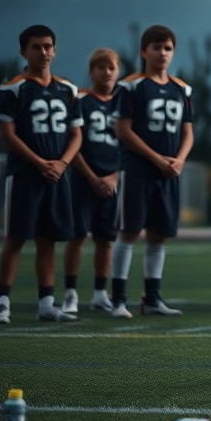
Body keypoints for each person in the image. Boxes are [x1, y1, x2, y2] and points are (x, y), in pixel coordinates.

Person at [0, 25, 83, 324]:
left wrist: (62, 163)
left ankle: (46, 303)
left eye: (47, 46)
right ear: (23, 51)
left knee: (49, 239)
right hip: (25, 173)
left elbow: (77, 135)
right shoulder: (13, 87)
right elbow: (9, 135)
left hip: (58, 174)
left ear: (55, 49)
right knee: (16, 237)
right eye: (36, 47)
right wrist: (41, 162)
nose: (43, 52)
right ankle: (3, 302)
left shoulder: (67, 88)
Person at [112, 24, 194, 318]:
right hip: (139, 169)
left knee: (159, 235)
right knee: (130, 230)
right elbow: (123, 130)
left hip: (169, 171)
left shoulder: (181, 88)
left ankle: (153, 298)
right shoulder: (131, 85)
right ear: (144, 51)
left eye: (168, 48)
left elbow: (188, 132)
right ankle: (118, 299)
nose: (162, 53)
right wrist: (157, 158)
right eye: (157, 47)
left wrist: (180, 160)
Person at [64, 48, 122, 315]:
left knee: (106, 238)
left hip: (112, 180)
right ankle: (70, 293)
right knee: (77, 236)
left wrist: (114, 176)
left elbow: (130, 143)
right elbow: (73, 142)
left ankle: (100, 293)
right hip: (83, 178)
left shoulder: (123, 102)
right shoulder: (81, 99)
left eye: (111, 67)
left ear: (118, 71)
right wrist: (92, 177)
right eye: (101, 67)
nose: (107, 72)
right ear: (92, 71)